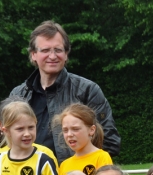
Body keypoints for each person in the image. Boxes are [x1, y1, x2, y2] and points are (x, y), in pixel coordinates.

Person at [10, 21, 120, 163]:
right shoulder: (18, 95)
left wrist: (80, 170)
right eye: (45, 50)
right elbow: (5, 140)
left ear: (66, 54)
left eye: (58, 50)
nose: (52, 56)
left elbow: (110, 142)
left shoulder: (87, 91)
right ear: (33, 55)